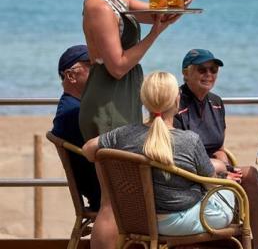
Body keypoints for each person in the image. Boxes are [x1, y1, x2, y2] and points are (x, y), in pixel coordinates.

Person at [72, 0, 195, 248]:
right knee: (113, 200)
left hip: (123, 98)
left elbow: (160, 12)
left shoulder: (117, 0)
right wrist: (156, 33)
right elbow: (117, 66)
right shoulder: (97, 6)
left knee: (121, 199)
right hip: (107, 101)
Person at [83, 72, 236, 236]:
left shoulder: (123, 134)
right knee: (232, 192)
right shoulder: (190, 140)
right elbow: (211, 183)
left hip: (139, 220)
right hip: (180, 221)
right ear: (177, 100)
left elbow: (88, 150)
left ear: (143, 101)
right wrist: (224, 181)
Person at [174, 49, 258, 249]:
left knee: (250, 175)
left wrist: (225, 164)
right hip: (189, 175)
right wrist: (218, 170)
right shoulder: (176, 102)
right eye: (202, 69)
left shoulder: (216, 103)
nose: (209, 75)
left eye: (213, 70)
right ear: (186, 73)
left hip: (214, 170)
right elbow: (178, 156)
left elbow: (219, 146)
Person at [51, 44, 100, 211]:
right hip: (105, 194)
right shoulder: (74, 112)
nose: (99, 72)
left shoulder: (73, 106)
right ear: (71, 75)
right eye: (92, 65)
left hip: (100, 190)